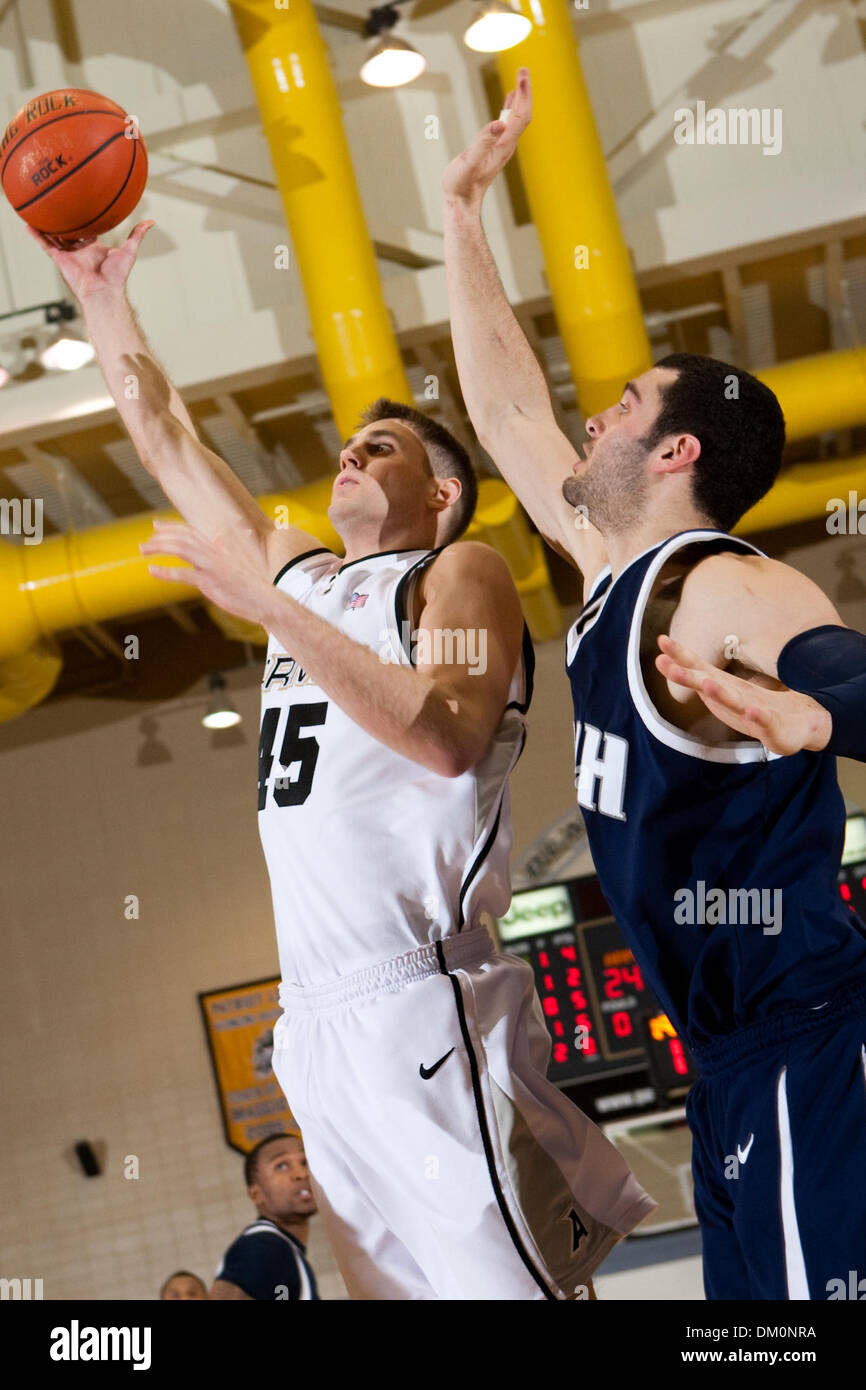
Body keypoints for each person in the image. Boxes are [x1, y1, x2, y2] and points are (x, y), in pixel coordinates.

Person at [30, 220, 655, 1301]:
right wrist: (100, 300)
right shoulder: (301, 580)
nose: (349, 457)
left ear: (439, 494)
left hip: (421, 998)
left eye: (383, 450)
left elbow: (451, 739)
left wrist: (269, 606)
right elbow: (170, 437)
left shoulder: (453, 573)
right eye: (346, 448)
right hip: (311, 1030)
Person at [441, 66, 866, 1302]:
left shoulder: (721, 587)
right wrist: (465, 215)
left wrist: (815, 711)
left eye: (617, 406)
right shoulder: (608, 574)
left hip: (809, 1045)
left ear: (674, 449)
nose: (586, 419)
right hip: (730, 1065)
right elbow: (503, 406)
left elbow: (847, 676)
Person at [211, 1132, 319, 1301]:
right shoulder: (265, 1245)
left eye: (305, 1162)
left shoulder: (282, 1247)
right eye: (282, 1166)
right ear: (256, 1194)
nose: (301, 1173)